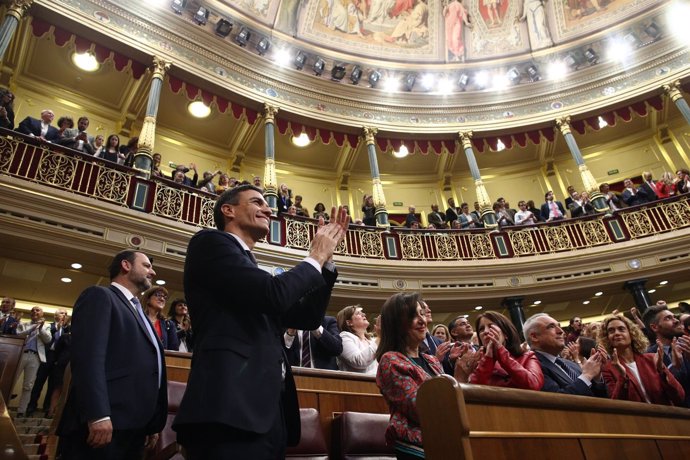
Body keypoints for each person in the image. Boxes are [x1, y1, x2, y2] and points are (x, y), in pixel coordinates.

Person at [172, 184, 348, 458]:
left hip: (267, 413)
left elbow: (308, 317)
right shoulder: (210, 243)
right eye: (257, 202)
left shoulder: (249, 270)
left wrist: (326, 263)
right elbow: (274, 295)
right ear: (228, 210)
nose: (268, 209)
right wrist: (314, 256)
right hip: (227, 409)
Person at [57, 250, 167, 459]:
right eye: (146, 266)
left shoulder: (139, 312)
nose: (152, 272)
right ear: (126, 265)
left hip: (134, 428)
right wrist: (98, 414)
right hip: (104, 424)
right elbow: (88, 359)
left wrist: (151, 421)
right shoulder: (100, 296)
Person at [376, 292, 463, 458]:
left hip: (444, 439)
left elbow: (450, 396)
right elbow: (421, 409)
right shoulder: (390, 360)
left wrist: (462, 373)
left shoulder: (432, 360)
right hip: (416, 447)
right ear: (397, 323)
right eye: (412, 316)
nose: (422, 320)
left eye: (422, 314)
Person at [599, 315, 685, 406]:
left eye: (621, 329)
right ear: (607, 338)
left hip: (664, 416)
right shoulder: (608, 368)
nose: (616, 333)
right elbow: (616, 405)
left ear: (631, 334)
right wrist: (622, 377)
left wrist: (662, 371)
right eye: (611, 331)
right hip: (635, 419)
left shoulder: (652, 359)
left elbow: (679, 396)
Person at [523, 313, 607, 397]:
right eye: (551, 327)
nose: (561, 331)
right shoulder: (532, 367)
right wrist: (587, 375)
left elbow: (601, 398)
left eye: (559, 326)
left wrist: (596, 377)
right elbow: (556, 401)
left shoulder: (571, 364)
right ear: (534, 337)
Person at [455, 311, 543, 390]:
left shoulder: (527, 356)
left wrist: (500, 351)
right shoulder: (476, 361)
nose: (485, 331)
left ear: (505, 334)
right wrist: (488, 359)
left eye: (491, 326)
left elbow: (533, 384)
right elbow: (473, 391)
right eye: (481, 329)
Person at [14, 306, 52, 417]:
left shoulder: (46, 326)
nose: (34, 312)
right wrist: (34, 327)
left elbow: (48, 339)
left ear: (42, 313)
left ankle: (21, 410)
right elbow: (19, 335)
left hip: (35, 357)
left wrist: (40, 328)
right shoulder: (24, 324)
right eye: (33, 310)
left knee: (28, 385)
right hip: (20, 355)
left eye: (37, 310)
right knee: (11, 381)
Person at [337, 305, 378, 374]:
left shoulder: (372, 341)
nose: (364, 314)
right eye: (358, 313)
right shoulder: (344, 337)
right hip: (357, 383)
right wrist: (380, 337)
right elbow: (359, 361)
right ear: (349, 322)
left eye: (362, 312)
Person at [142, 286, 180, 351]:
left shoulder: (168, 324)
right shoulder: (138, 318)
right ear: (148, 299)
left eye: (164, 297)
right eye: (158, 295)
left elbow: (174, 350)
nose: (162, 299)